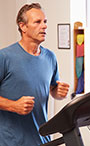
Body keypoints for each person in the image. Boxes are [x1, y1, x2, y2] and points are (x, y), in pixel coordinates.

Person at [0, 3, 69, 146]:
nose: (44, 26)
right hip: (10, 141)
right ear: (23, 26)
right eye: (37, 22)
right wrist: (13, 105)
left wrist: (58, 92)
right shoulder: (4, 57)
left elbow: (52, 90)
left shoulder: (50, 57)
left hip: (42, 140)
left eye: (45, 22)